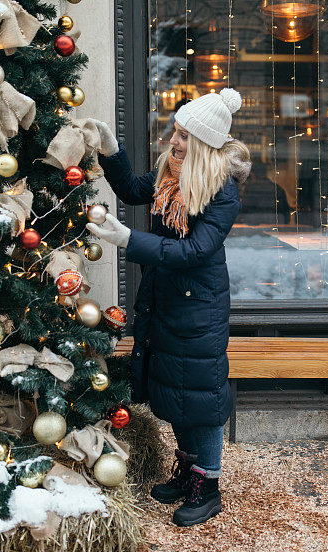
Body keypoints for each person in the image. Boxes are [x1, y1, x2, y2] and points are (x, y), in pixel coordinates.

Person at [87, 88, 251, 527]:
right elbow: (131, 187)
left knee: (203, 398)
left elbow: (195, 251)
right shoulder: (170, 173)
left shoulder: (222, 190)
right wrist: (111, 150)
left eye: (183, 136)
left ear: (204, 144)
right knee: (175, 391)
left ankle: (208, 485)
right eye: (175, 131)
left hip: (200, 305)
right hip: (164, 297)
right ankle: (187, 470)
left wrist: (128, 240)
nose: (173, 141)